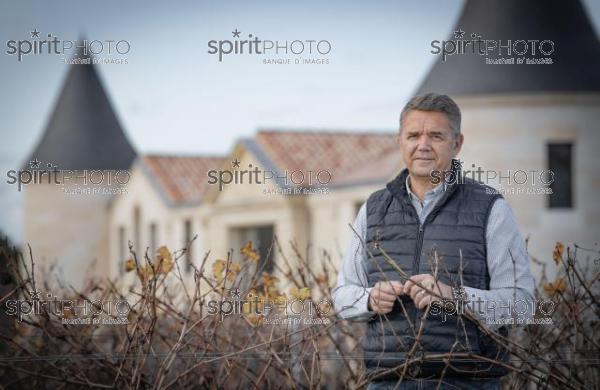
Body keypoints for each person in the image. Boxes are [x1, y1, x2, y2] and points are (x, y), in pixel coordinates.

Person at [332, 93, 535, 389]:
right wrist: (369, 299)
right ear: (400, 141)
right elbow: (342, 295)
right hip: (387, 382)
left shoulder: (491, 208)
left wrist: (454, 298)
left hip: (466, 383)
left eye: (436, 136)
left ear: (457, 143)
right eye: (413, 135)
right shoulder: (373, 208)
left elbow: (522, 304)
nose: (423, 145)